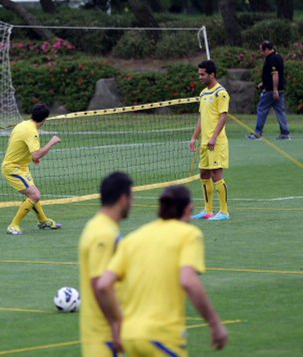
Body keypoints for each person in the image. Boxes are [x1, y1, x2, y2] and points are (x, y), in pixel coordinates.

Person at [96, 185, 229, 356]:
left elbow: (104, 285)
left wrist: (117, 323)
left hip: (129, 336)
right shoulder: (188, 234)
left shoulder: (134, 238)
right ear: (189, 210)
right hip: (161, 336)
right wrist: (215, 324)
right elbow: (188, 281)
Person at [79, 172, 133, 357]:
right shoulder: (103, 233)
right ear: (123, 198)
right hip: (105, 338)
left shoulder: (98, 226)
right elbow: (99, 284)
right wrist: (116, 324)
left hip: (101, 336)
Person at [2, 103, 61, 235]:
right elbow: (36, 153)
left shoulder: (23, 124)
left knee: (33, 195)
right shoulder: (31, 131)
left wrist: (33, 158)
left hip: (21, 167)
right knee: (35, 195)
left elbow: (22, 146)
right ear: (45, 119)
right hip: (13, 168)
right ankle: (13, 225)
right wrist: (52, 142)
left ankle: (43, 221)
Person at [189, 60, 230, 221]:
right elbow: (202, 118)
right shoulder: (203, 93)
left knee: (216, 174)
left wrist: (214, 137)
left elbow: (223, 116)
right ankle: (208, 210)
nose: (200, 77)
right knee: (204, 174)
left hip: (216, 142)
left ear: (212, 74)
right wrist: (194, 138)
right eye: (199, 74)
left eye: (202, 74)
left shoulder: (221, 93)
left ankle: (224, 212)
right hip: (205, 142)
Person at [246, 41, 291, 140]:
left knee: (262, 109)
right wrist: (263, 84)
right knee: (280, 111)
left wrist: (274, 90)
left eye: (262, 51)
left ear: (267, 49)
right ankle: (285, 133)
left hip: (271, 91)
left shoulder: (272, 59)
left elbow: (275, 74)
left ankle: (258, 133)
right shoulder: (277, 57)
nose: (261, 53)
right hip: (279, 89)